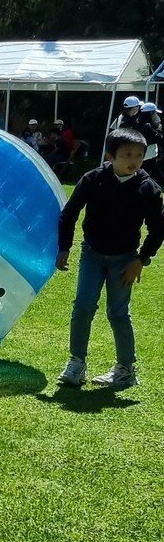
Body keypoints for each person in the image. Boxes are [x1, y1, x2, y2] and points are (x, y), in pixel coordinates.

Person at [57, 128, 163, 391]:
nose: (134, 161)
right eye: (127, 155)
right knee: (83, 307)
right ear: (110, 156)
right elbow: (69, 214)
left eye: (139, 155)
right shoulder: (93, 180)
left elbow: (159, 228)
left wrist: (141, 259)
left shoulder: (147, 187)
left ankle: (126, 369)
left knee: (117, 312)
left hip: (124, 259)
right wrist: (64, 248)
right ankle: (76, 363)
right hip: (92, 254)